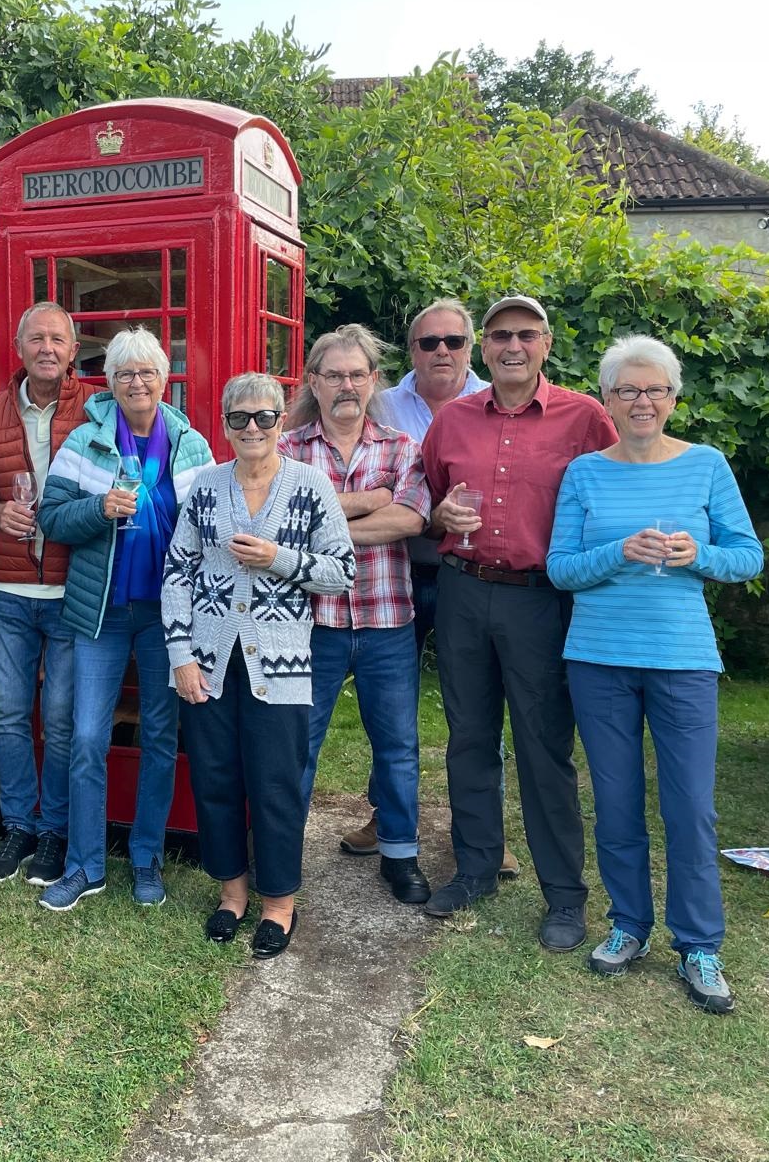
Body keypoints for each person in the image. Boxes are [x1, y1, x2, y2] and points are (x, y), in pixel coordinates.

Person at [547, 334, 762, 1013]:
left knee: (690, 807)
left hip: (682, 659)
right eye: (628, 390)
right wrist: (619, 551)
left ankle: (699, 943)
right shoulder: (584, 473)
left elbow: (747, 556)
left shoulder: (706, 465)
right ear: (607, 399)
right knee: (616, 803)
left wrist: (702, 554)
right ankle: (629, 925)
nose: (642, 401)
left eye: (655, 390)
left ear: (673, 398)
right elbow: (561, 569)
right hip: (599, 660)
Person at [420, 295, 617, 952]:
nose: (512, 346)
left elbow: (613, 498)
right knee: (469, 738)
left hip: (540, 599)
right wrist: (443, 517)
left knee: (543, 746)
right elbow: (430, 498)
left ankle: (563, 894)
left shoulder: (584, 418)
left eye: (526, 335)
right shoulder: (452, 420)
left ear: (546, 344)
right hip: (463, 592)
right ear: (483, 347)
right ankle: (476, 868)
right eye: (500, 335)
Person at [166, 373, 354, 955]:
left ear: (281, 421)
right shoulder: (206, 486)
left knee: (276, 784)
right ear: (225, 423)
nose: (252, 427)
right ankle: (232, 894)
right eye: (239, 417)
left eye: (264, 417)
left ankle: (279, 903)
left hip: (281, 664)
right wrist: (181, 655)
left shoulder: (310, 485)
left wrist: (279, 558)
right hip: (209, 661)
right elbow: (177, 572)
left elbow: (342, 571)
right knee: (215, 779)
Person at [37, 328, 213, 911]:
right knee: (88, 736)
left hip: (167, 616)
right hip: (102, 613)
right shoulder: (87, 441)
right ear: (109, 382)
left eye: (147, 372)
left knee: (161, 735)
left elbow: (212, 528)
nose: (137, 383)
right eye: (125, 374)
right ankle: (84, 864)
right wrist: (99, 507)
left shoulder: (190, 444)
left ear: (164, 379)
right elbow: (52, 518)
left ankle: (146, 856)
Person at [277, 326, 433, 904]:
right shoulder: (286, 449)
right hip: (310, 624)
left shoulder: (402, 447)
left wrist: (321, 521)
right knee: (298, 745)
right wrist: (372, 500)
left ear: (373, 381)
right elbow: (279, 523)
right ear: (313, 382)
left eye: (357, 374)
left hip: (387, 618)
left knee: (398, 747)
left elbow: (411, 520)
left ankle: (400, 855)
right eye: (334, 375)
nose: (346, 385)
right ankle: (281, 855)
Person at [372, 300, 520, 879]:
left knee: (477, 707)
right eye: (428, 342)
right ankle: (386, 814)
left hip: (467, 574)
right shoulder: (382, 404)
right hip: (392, 570)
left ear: (471, 347)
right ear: (412, 349)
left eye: (453, 341)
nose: (441, 352)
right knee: (389, 707)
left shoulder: (493, 400)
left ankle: (487, 833)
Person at [0, 302, 87, 886]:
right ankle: (17, 823)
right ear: (19, 348)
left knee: (61, 720)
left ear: (73, 351)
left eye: (57, 340)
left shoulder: (96, 408)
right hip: (12, 587)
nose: (47, 348)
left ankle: (54, 830)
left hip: (71, 586)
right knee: (10, 712)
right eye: (36, 339)